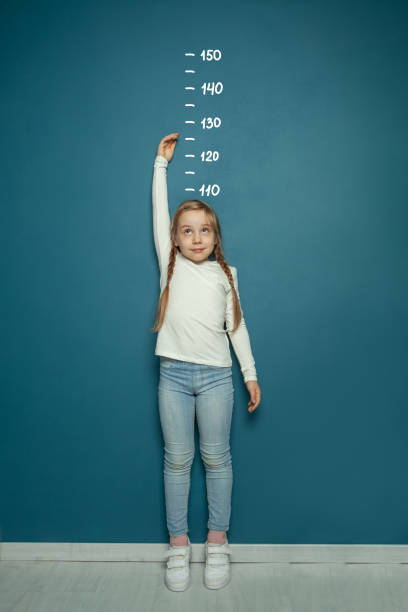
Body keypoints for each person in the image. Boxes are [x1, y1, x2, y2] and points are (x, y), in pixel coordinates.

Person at [152, 133, 261, 591]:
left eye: (205, 230)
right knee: (177, 460)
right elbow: (159, 212)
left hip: (218, 378)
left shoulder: (226, 275)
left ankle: (218, 542)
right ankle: (179, 547)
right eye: (186, 230)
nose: (196, 238)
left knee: (217, 459)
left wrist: (250, 375)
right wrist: (160, 165)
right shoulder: (169, 265)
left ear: (216, 237)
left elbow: (237, 328)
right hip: (173, 376)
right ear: (175, 239)